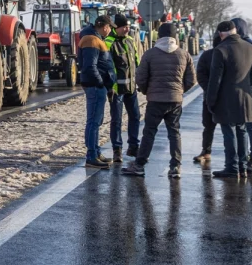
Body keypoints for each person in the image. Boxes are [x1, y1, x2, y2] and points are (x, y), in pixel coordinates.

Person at [121, 22, 194, 178]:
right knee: (174, 133)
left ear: (159, 36)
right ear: (175, 36)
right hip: (175, 100)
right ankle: (175, 167)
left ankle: (140, 165)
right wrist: (179, 92)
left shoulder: (150, 54)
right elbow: (192, 80)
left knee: (149, 132)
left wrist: (148, 91)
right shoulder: (184, 54)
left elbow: (140, 77)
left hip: (155, 99)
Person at [205, 21, 252, 180]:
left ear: (221, 34)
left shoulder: (221, 50)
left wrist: (211, 100)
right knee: (242, 131)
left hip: (226, 97)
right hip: (246, 97)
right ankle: (242, 166)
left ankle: (232, 167)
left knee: (229, 132)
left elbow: (215, 79)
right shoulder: (251, 47)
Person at [79, 15, 116, 169]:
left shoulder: (94, 38)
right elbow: (90, 66)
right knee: (94, 121)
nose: (111, 30)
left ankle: (96, 152)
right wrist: (101, 83)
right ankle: (91, 155)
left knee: (96, 121)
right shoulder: (91, 40)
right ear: (103, 26)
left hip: (97, 86)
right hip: (95, 86)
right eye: (110, 27)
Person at [107, 14, 142, 162]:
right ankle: (117, 150)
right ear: (117, 27)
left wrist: (140, 80)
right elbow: (107, 67)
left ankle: (133, 146)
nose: (127, 29)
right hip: (117, 90)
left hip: (131, 88)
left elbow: (136, 61)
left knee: (135, 116)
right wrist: (110, 87)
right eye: (124, 27)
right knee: (117, 120)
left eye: (128, 26)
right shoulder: (109, 42)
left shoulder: (130, 41)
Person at [231, 17, 252, 173]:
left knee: (249, 124)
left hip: (248, 90)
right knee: (240, 124)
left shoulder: (250, 45)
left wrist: (247, 81)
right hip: (242, 89)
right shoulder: (239, 43)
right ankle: (242, 158)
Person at [192, 34, 220, 165]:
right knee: (208, 125)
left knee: (230, 127)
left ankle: (235, 155)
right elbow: (200, 74)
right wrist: (209, 89)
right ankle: (206, 151)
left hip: (222, 96)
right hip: (210, 96)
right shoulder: (208, 55)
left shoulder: (230, 54)